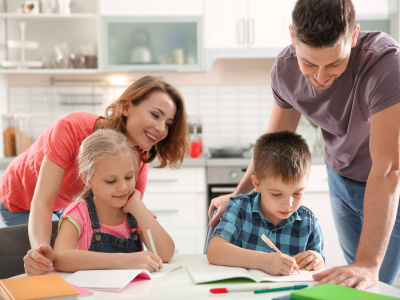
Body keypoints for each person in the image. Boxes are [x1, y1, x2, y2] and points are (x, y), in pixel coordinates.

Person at [208, 0, 400, 289]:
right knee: (353, 281)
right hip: (340, 174)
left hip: (384, 180)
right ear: (292, 38)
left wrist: (367, 265)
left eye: (335, 62)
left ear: (355, 36)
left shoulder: (385, 66)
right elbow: (270, 147)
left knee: (374, 280)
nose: (320, 77)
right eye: (309, 63)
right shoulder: (286, 70)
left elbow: (388, 168)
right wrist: (235, 197)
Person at [0, 75, 188, 276]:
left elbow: (128, 217)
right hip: (22, 200)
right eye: (155, 115)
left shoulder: (137, 160)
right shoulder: (71, 128)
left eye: (168, 123)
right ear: (126, 108)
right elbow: (43, 202)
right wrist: (41, 253)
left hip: (65, 206)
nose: (161, 129)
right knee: (40, 265)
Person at [53, 129, 174, 272]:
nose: (123, 187)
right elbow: (60, 258)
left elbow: (166, 254)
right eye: (111, 181)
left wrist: (138, 206)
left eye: (129, 177)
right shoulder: (79, 213)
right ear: (87, 179)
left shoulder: (136, 212)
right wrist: (126, 261)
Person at [207, 131, 324, 275]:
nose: (288, 204)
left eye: (297, 193)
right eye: (276, 194)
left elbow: (319, 265)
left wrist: (317, 259)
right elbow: (214, 251)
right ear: (257, 184)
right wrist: (263, 261)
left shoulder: (308, 223)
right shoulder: (240, 209)